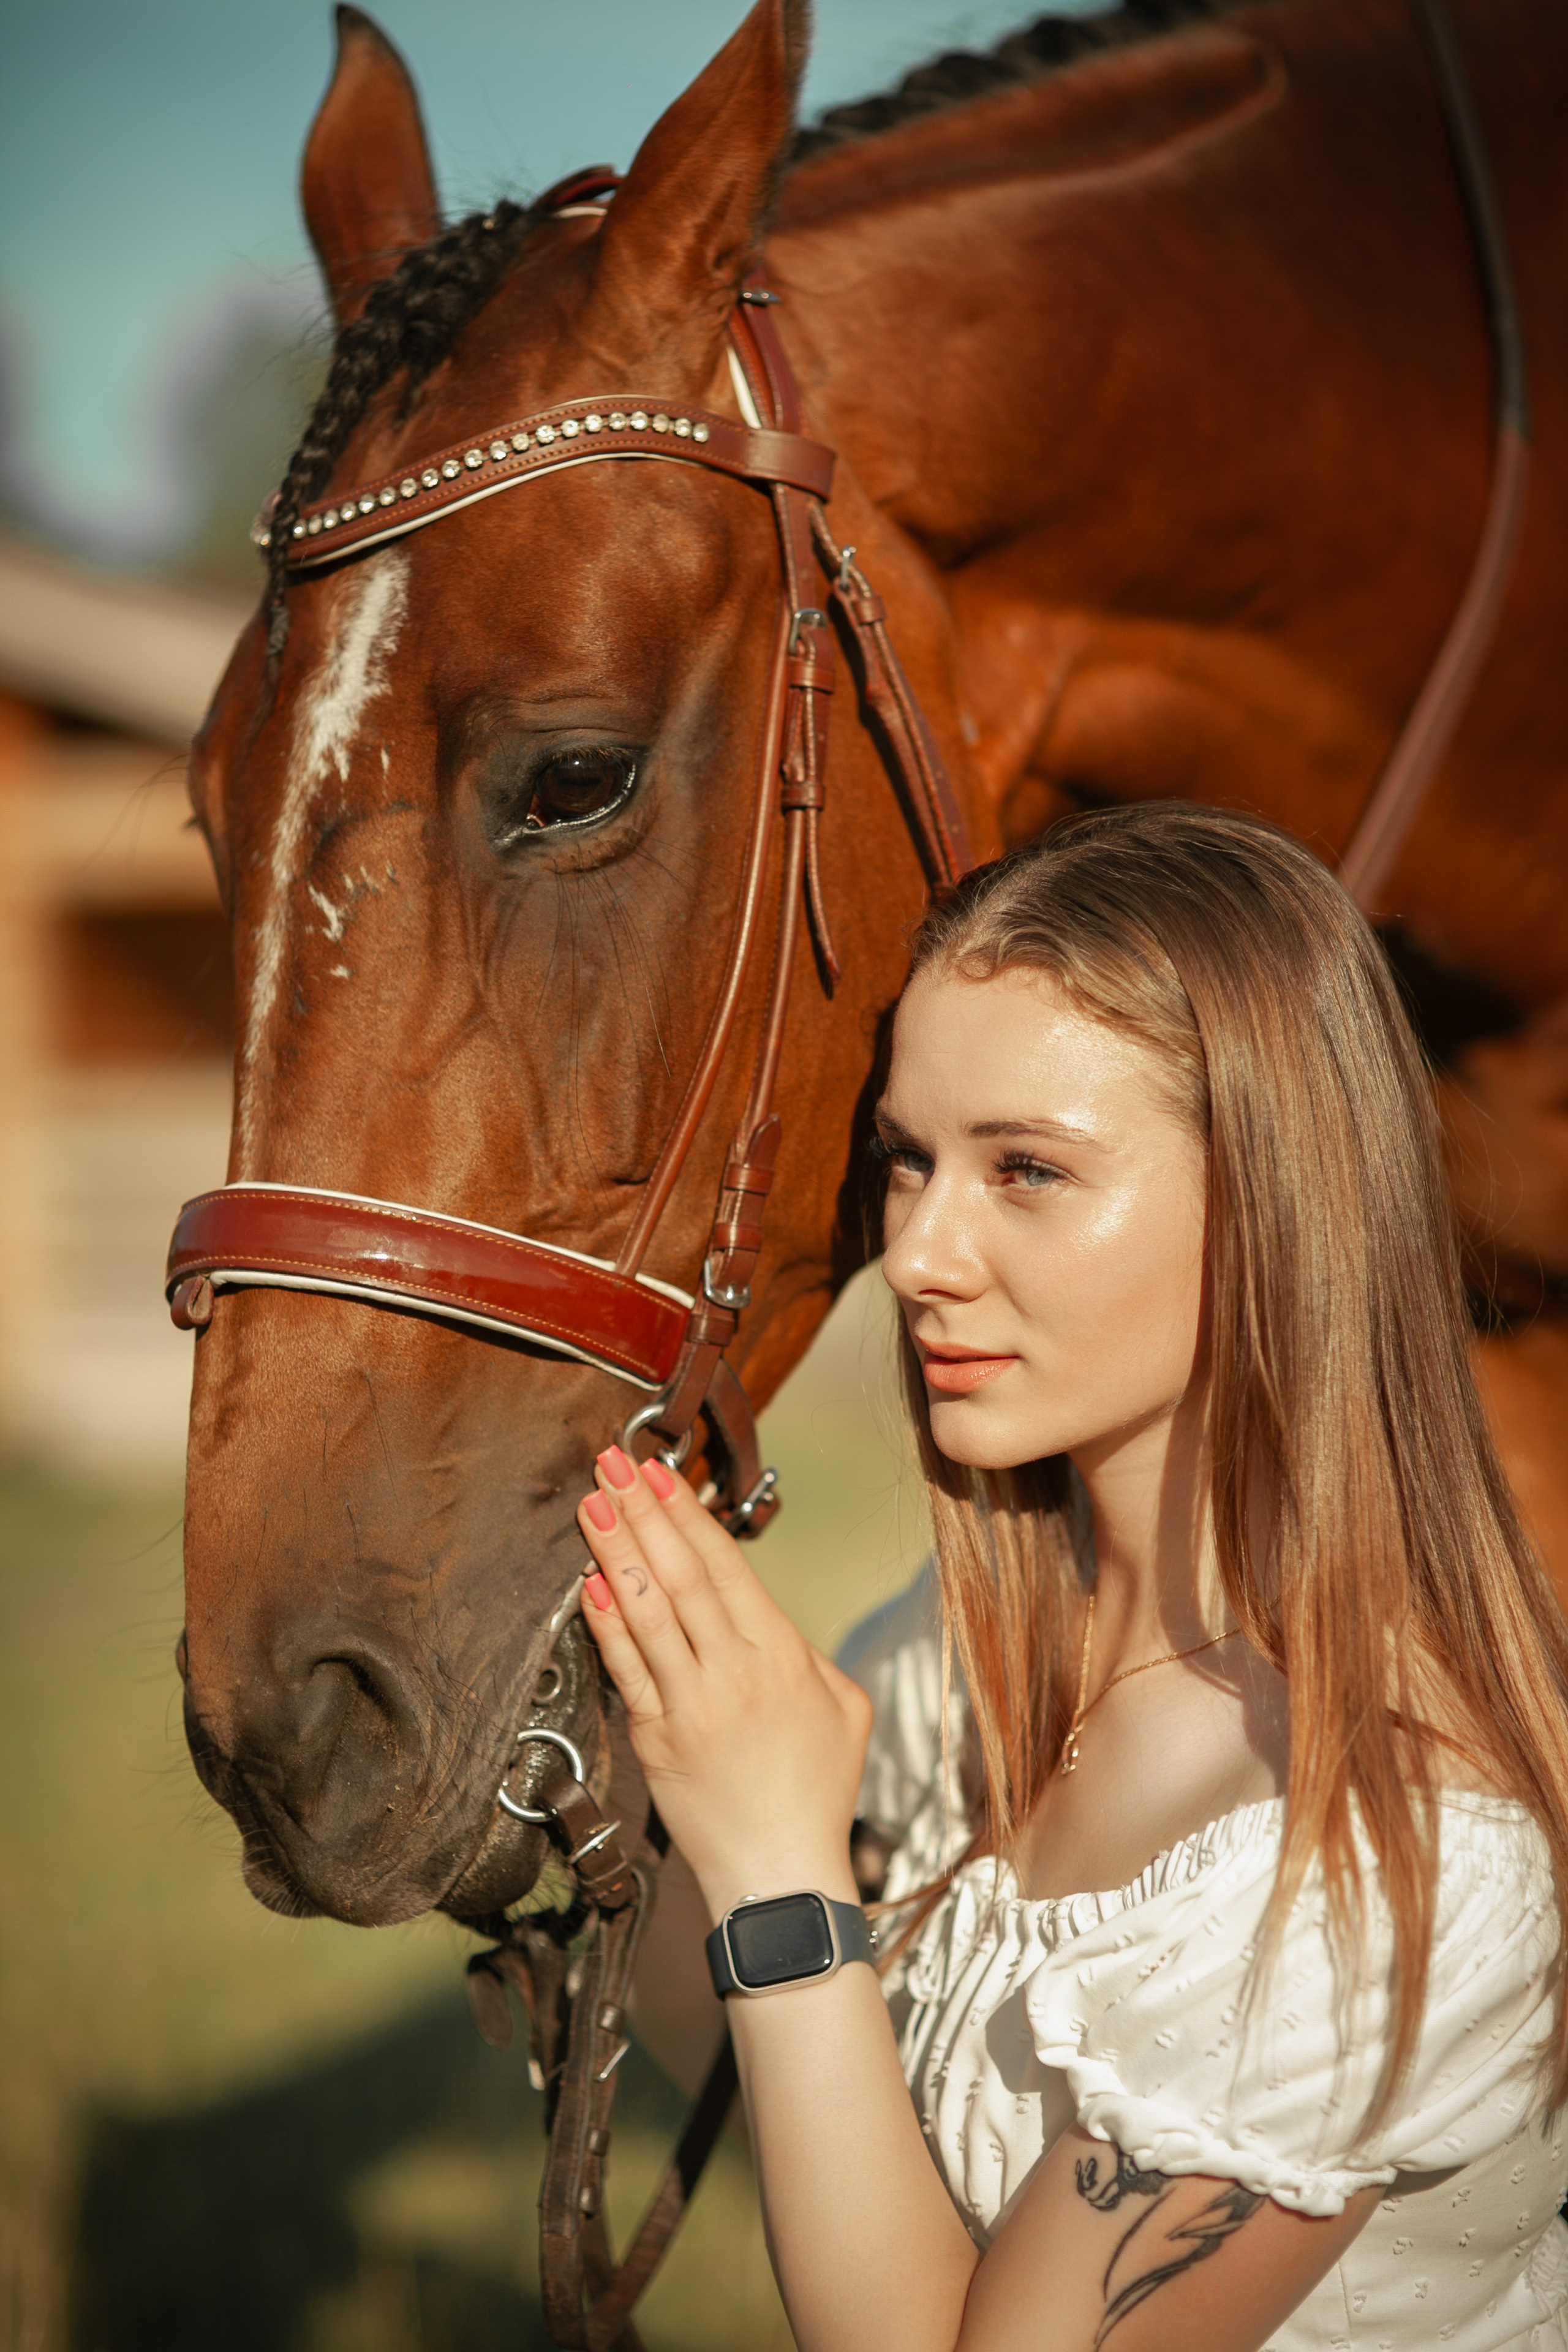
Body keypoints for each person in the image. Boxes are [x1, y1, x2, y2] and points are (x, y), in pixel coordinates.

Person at [575, 804, 1568, 2351]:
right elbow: (798, 2092)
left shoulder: (1393, 1859)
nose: (915, 1254)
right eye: (908, 1160)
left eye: (1026, 1169)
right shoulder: (957, 1651)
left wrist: (775, 1876)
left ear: (1273, 1201)